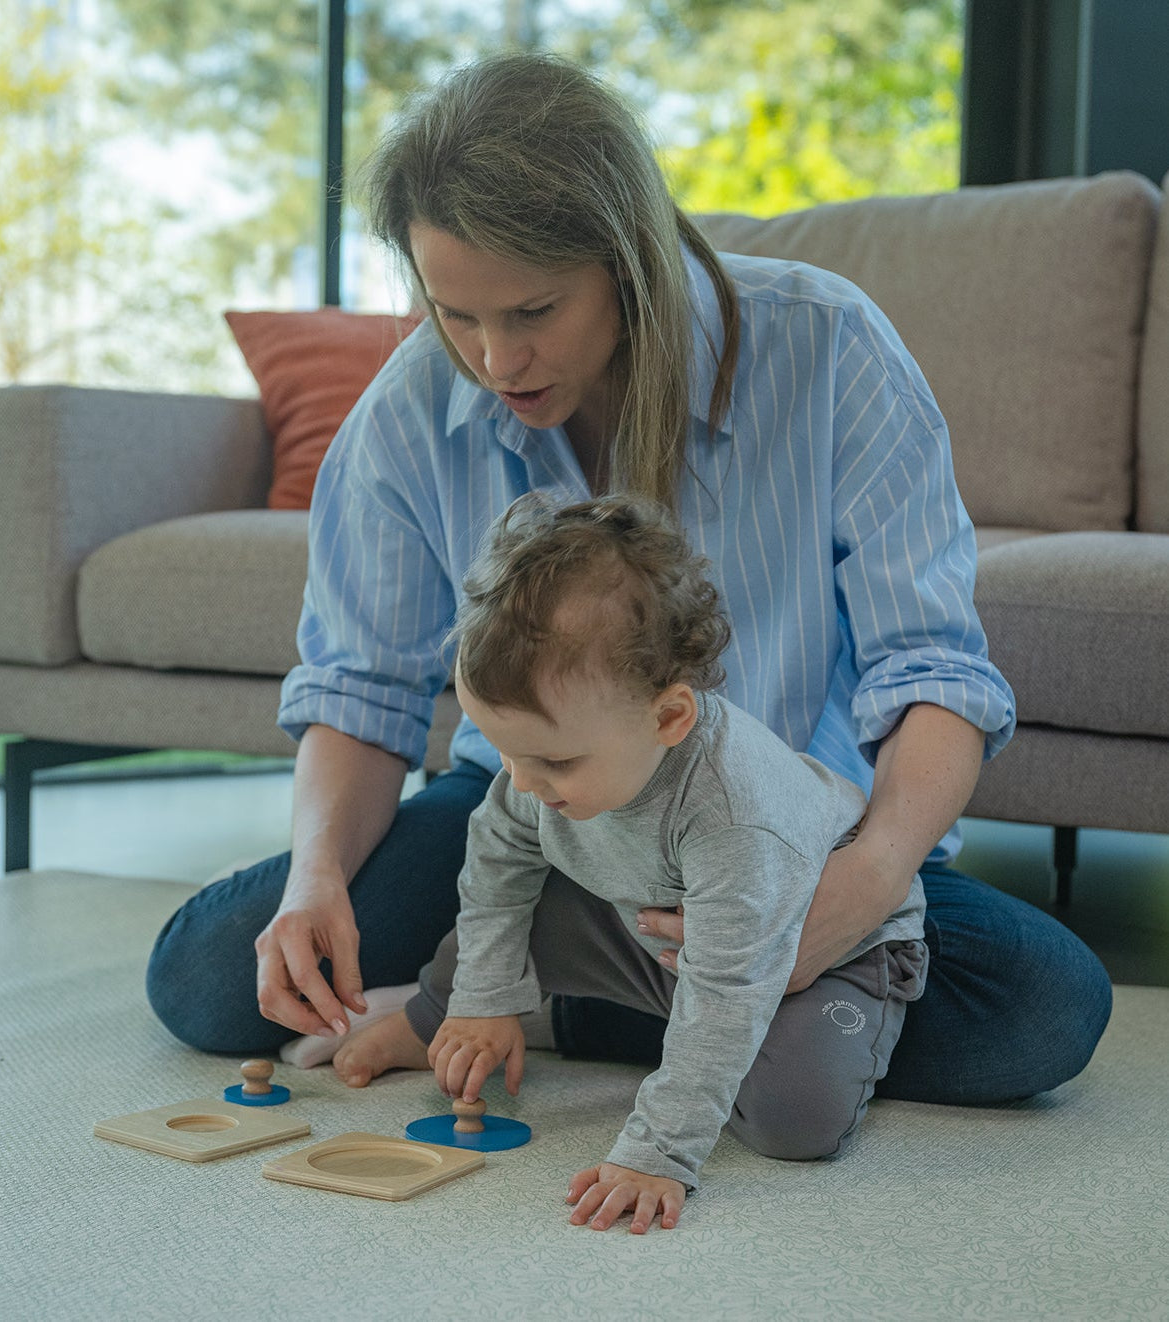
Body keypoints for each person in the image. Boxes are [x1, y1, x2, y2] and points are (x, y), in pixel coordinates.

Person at [145, 51, 1110, 1115]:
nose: (493, 361)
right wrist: (315, 875)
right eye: (455, 315)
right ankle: (634, 992)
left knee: (1041, 1011)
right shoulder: (411, 406)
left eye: (531, 310)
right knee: (204, 983)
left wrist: (866, 881)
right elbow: (358, 687)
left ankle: (553, 1000)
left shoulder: (830, 347)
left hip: (778, 825)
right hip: (529, 806)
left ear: (627, 259)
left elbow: (931, 669)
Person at [421, 490, 928, 1233]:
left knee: (796, 1119)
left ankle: (612, 1034)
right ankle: (466, 1016)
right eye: (505, 751)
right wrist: (482, 998)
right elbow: (497, 862)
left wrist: (657, 1152)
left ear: (669, 718)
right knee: (474, 953)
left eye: (553, 760)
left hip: (818, 951)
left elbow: (729, 984)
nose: (522, 784)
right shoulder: (544, 771)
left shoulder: (731, 813)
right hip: (662, 929)